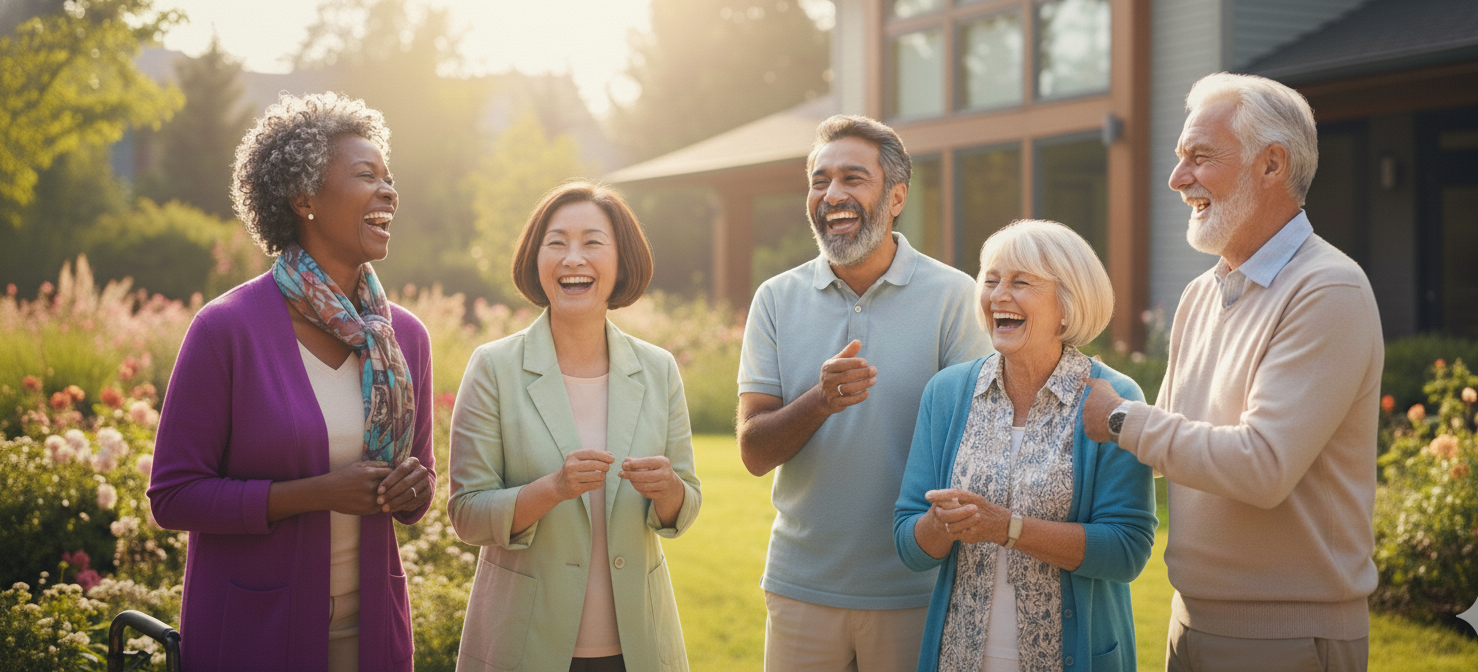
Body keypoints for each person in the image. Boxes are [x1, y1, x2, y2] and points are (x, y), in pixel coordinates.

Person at [1083, 72, 1383, 672]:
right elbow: (1170, 445)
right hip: (1191, 619)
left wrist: (1118, 417)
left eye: (1200, 157)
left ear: (1272, 166)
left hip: (1286, 636)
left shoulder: (1329, 289)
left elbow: (1262, 466)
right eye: (1179, 158)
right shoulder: (1202, 293)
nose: (1177, 178)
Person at [148, 92, 434, 671]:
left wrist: (414, 489)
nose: (388, 191)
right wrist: (315, 494)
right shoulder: (226, 330)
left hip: (373, 633)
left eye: (389, 176)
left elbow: (418, 488)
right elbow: (173, 496)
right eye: (365, 175)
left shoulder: (404, 337)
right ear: (304, 198)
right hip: (256, 634)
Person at [737, 115, 993, 671]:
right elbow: (753, 452)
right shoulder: (776, 299)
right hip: (801, 584)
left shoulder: (954, 297)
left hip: (916, 586)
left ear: (896, 196)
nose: (833, 194)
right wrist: (819, 402)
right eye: (820, 180)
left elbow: (977, 446)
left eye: (853, 178)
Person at [448, 181, 701, 672]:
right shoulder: (494, 367)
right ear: (535, 258)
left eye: (592, 242)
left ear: (621, 260)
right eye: (557, 242)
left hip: (639, 648)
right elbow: (467, 513)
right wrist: (554, 488)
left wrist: (668, 488)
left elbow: (684, 505)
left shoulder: (658, 369)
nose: (573, 258)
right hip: (524, 646)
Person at [894, 220, 1155, 672]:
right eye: (991, 281)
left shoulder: (1112, 396)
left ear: (1067, 304)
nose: (998, 296)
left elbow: (1126, 550)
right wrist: (939, 524)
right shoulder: (948, 392)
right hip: (959, 657)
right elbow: (908, 543)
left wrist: (1008, 528)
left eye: (1020, 282)